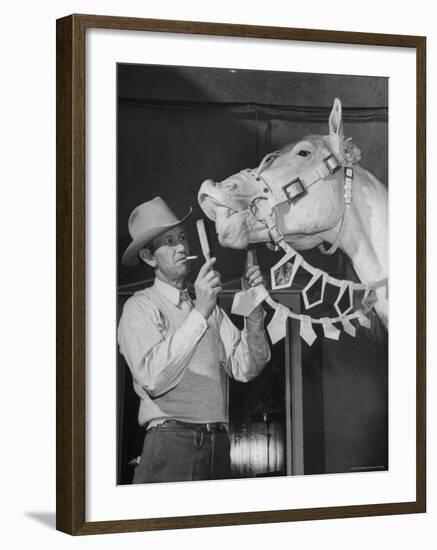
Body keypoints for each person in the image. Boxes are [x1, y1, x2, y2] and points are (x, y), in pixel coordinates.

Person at [118, 196, 271, 484]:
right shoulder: (140, 307)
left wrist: (252, 307)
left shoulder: (206, 306)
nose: (181, 247)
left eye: (182, 238)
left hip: (219, 442)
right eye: (168, 242)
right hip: (171, 442)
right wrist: (200, 311)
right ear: (149, 257)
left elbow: (247, 367)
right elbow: (154, 379)